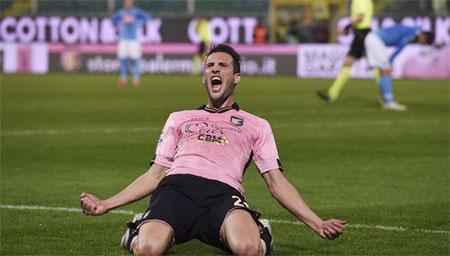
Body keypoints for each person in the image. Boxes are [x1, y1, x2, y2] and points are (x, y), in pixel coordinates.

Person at [80, 44, 346, 255]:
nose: (215, 70)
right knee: (148, 250)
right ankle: (139, 230)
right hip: (176, 190)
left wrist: (317, 223)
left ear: (236, 77)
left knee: (248, 249)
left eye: (223, 65)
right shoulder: (179, 118)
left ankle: (260, 231)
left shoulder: (257, 125)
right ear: (204, 77)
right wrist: (106, 204)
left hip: (222, 194)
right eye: (209, 66)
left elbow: (276, 183)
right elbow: (155, 175)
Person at [364, 24, 434, 111]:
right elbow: (399, 48)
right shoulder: (412, 33)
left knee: (384, 71)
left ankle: (386, 100)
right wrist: (390, 61)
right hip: (375, 40)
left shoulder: (413, 30)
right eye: (424, 42)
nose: (422, 44)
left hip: (373, 38)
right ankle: (389, 102)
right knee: (386, 70)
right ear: (423, 36)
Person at [317, 0, 373, 102]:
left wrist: (346, 27)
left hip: (362, 34)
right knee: (373, 64)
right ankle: (332, 93)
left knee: (350, 62)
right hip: (363, 33)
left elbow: (360, 17)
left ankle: (332, 93)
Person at [112, 0, 150, 87]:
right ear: (124, 3)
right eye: (126, 1)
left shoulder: (136, 11)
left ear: (132, 2)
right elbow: (113, 20)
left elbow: (147, 17)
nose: (128, 3)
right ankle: (123, 79)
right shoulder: (121, 12)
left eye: (129, 1)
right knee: (123, 60)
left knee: (135, 60)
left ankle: (136, 80)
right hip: (123, 39)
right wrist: (119, 24)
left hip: (133, 39)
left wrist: (138, 23)